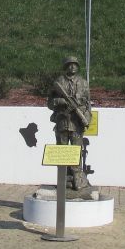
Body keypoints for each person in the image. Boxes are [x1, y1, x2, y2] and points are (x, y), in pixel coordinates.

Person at [47, 55, 92, 192]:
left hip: (77, 123)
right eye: (70, 64)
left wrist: (86, 118)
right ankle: (63, 180)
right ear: (65, 66)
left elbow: (88, 103)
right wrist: (59, 101)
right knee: (62, 153)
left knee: (76, 152)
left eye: (75, 64)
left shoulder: (83, 83)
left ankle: (78, 179)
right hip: (62, 122)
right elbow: (49, 103)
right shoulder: (59, 82)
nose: (72, 66)